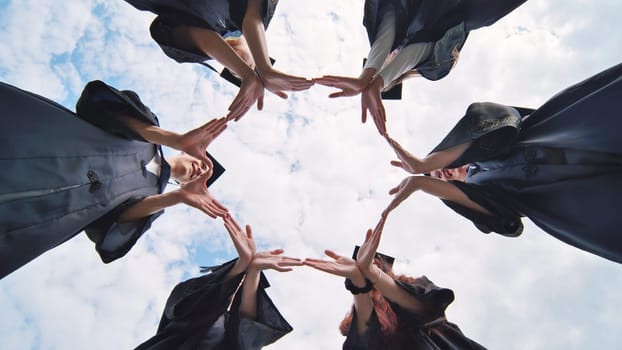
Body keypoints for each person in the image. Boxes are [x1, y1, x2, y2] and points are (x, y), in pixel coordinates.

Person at [382, 62, 622, 264]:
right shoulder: (484, 193)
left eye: (439, 170)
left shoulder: (486, 140)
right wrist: (420, 184)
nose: (444, 173)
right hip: (583, 196)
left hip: (582, 132)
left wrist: (425, 163)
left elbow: (499, 120)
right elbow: (506, 222)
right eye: (440, 179)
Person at [0, 80, 228, 279]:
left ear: (183, 184)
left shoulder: (153, 198)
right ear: (185, 152)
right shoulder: (148, 130)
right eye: (204, 160)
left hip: (40, 213)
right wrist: (173, 139)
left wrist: (178, 198)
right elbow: (96, 103)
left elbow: (113, 229)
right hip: (39, 139)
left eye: (205, 176)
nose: (202, 169)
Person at [314, 0, 527, 136]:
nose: (391, 59)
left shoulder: (388, 26)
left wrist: (368, 76)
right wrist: (378, 82)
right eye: (391, 71)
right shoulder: (432, 66)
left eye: (385, 64)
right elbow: (415, 53)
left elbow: (388, 26)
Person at [304, 220, 486, 349]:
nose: (373, 262)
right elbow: (365, 341)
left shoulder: (415, 285)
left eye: (377, 261)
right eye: (367, 263)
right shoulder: (359, 316)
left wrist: (372, 272)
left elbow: (425, 309)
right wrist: (359, 282)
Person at [123, 0, 314, 121]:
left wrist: (247, 75)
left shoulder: (198, 47)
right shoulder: (255, 16)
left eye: (235, 72)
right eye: (252, 67)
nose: (242, 68)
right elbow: (252, 15)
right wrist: (264, 67)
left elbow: (196, 36)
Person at [135, 216, 301, 349]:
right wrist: (241, 265)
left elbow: (245, 325)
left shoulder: (230, 331)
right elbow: (193, 304)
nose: (235, 290)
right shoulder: (187, 301)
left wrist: (253, 272)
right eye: (235, 282)